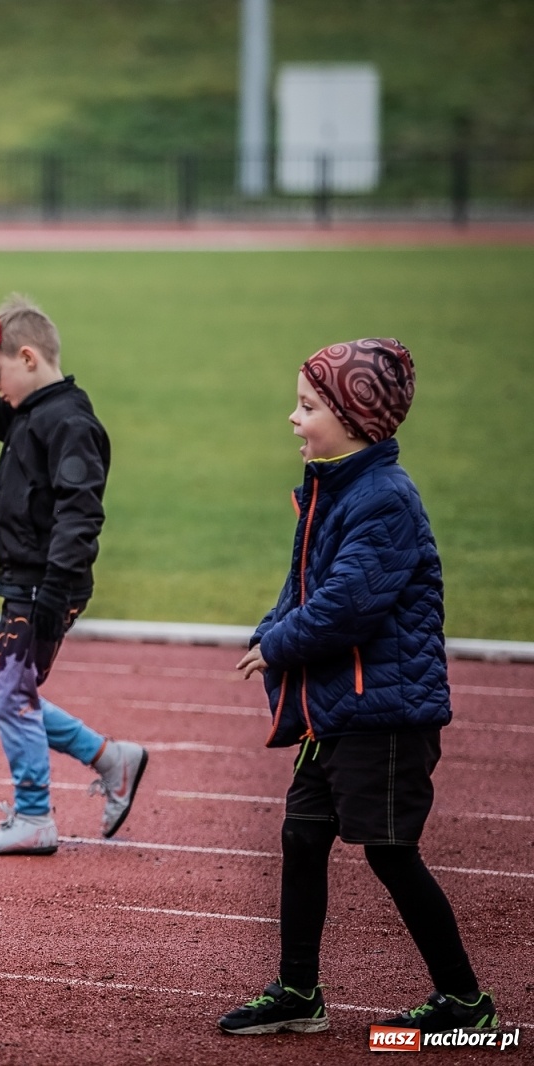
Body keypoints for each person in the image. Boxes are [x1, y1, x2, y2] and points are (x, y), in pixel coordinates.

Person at [219, 339, 497, 1037]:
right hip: (340, 709)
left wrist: (277, 645)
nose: (293, 418)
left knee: (390, 852)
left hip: (386, 714)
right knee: (302, 836)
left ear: (354, 420)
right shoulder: (335, 487)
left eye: (308, 407)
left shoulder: (384, 499)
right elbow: (304, 588)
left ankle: (465, 1002)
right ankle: (298, 992)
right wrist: (269, 627)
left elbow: (347, 606)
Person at [0, 296, 148, 855]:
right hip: (28, 581)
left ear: (29, 358)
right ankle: (111, 758)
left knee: (12, 696)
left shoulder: (69, 422)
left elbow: (80, 513)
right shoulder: (32, 413)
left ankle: (35, 816)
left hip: (47, 585)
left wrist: (56, 589)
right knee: (6, 696)